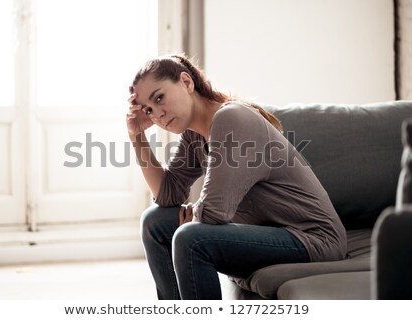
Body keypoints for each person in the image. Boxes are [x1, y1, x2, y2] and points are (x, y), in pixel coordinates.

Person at [126, 54, 347, 300]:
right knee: (154, 221)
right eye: (149, 109)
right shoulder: (194, 135)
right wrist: (137, 136)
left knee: (191, 238)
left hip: (312, 239)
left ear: (187, 82)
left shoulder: (231, 118)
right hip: (270, 233)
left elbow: (214, 214)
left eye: (160, 98)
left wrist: (194, 217)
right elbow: (167, 194)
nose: (158, 114)